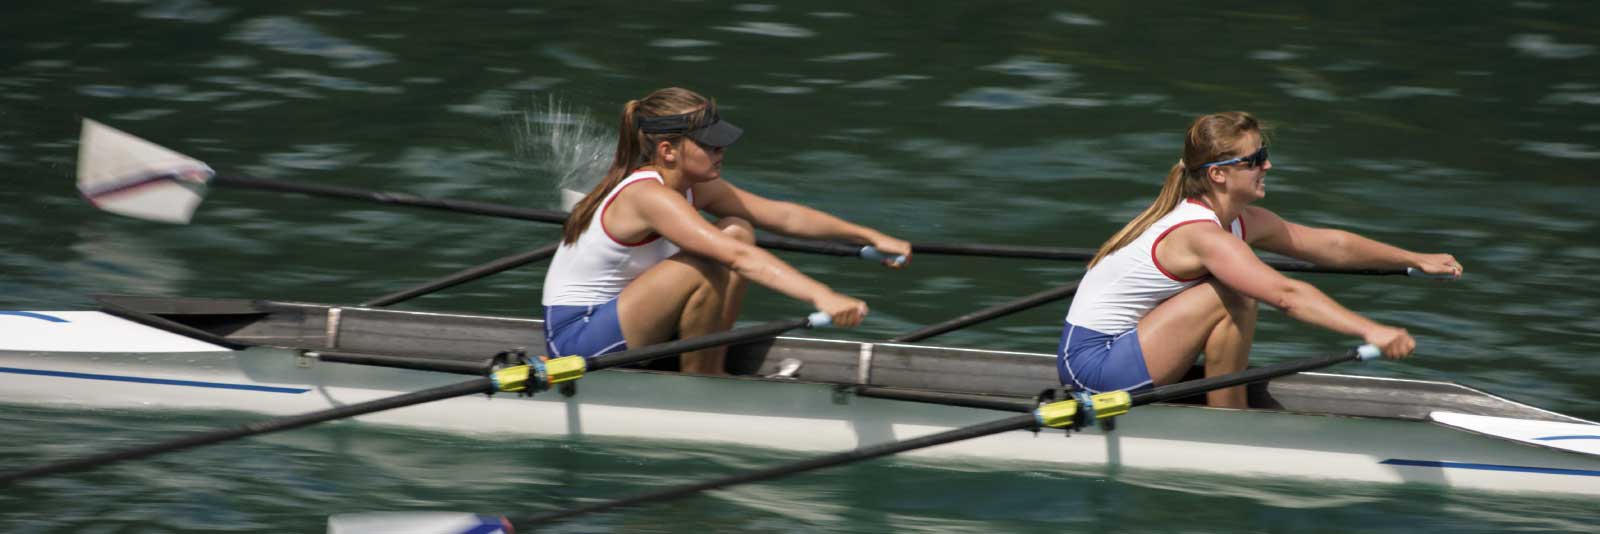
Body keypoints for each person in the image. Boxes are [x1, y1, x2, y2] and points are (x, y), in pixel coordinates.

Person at [1059, 111, 1462, 407]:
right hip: (1092, 368)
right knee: (1235, 293)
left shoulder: (1239, 220)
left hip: (1127, 349)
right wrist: (1371, 330)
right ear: (1218, 174)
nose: (1266, 165)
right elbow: (1286, 294)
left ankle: (1225, 403)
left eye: (1263, 153)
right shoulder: (1202, 235)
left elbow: (1330, 245)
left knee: (1235, 289)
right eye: (1253, 161)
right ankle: (1228, 420)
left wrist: (1414, 258)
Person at [542, 87, 911, 375]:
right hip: (578, 341)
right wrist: (823, 296)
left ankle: (707, 364)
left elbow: (782, 216)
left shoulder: (690, 184)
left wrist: (869, 236)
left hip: (627, 321)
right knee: (716, 255)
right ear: (668, 151)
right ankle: (702, 379)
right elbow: (737, 258)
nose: (721, 150)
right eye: (708, 143)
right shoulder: (648, 195)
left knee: (737, 228)